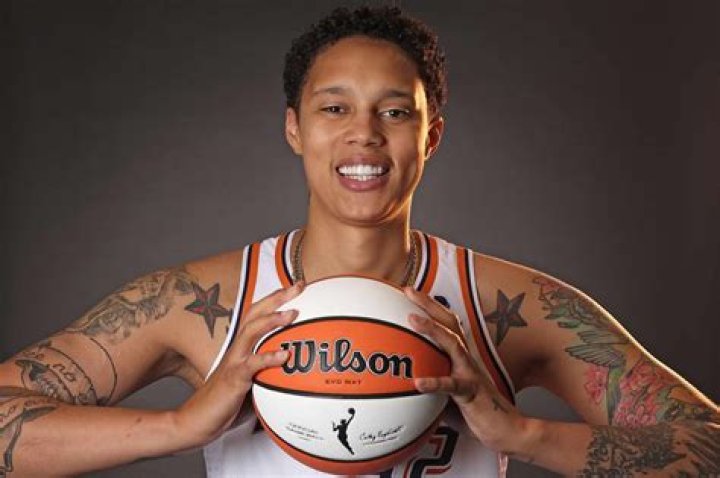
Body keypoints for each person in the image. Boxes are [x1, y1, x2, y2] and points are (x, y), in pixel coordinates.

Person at [1, 5, 717, 477]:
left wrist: (521, 435)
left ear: (431, 136)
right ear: (295, 128)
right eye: (334, 108)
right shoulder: (199, 304)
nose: (364, 135)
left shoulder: (512, 306)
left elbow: (709, 446)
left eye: (395, 112)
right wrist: (182, 427)